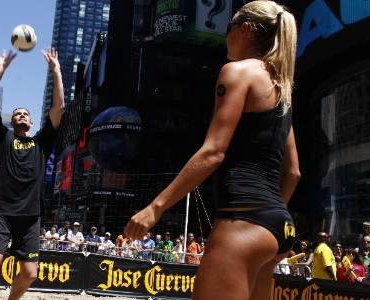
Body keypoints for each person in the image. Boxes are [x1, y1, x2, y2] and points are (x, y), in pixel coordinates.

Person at [123, 1, 300, 298]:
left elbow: (213, 152)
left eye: (229, 26)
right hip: (278, 226)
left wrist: (155, 208)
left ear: (244, 29)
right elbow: (293, 172)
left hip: (243, 220)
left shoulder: (237, 72)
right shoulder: (281, 90)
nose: (225, 35)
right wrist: (269, 216)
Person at [0, 48, 64, 300]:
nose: (21, 115)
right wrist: (0, 68)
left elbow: (59, 106)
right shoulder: (2, 138)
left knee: (30, 273)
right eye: (17, 113)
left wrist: (55, 69)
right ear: (12, 121)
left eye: (25, 113)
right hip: (1, 212)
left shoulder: (42, 142)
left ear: (31, 122)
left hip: (30, 216)